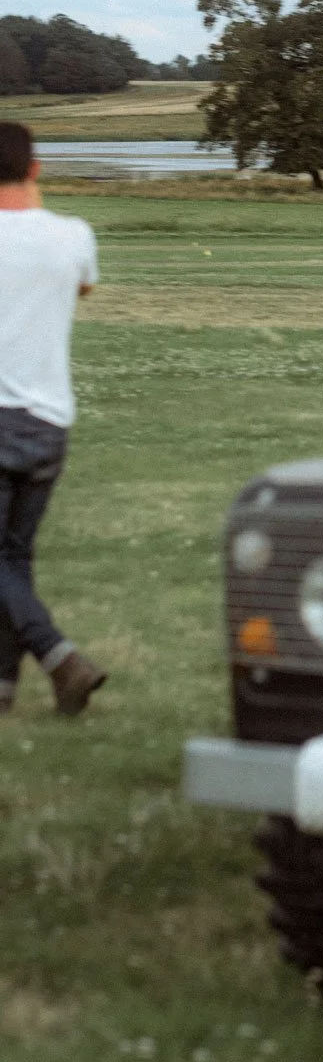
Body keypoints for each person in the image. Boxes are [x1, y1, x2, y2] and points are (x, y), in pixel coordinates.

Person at [0, 121, 106, 715]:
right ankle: (4, 686)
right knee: (12, 558)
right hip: (48, 421)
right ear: (35, 168)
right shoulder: (73, 235)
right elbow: (83, 289)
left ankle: (60, 658)